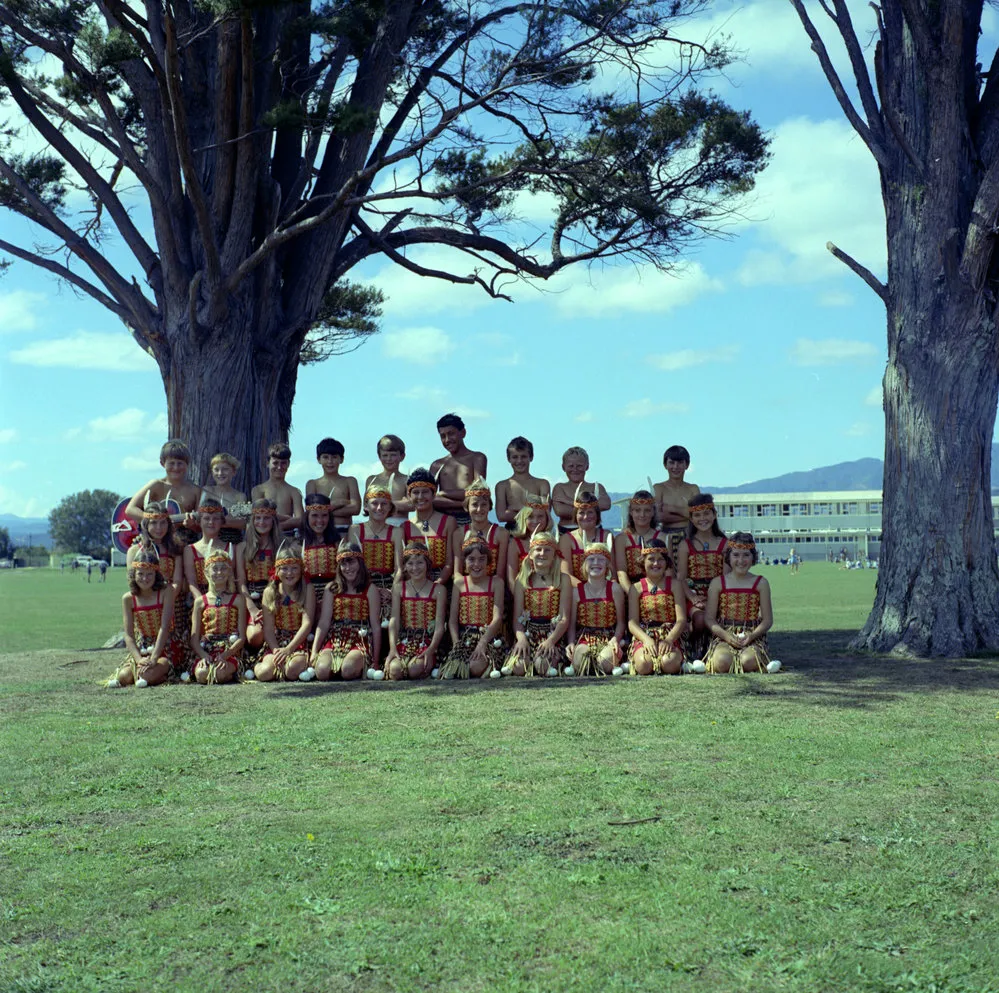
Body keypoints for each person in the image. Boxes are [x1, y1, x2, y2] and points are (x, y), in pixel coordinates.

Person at [703, 532, 778, 674]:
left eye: (746, 555)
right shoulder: (718, 582)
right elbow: (709, 618)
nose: (741, 560)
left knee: (748, 661)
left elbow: (767, 620)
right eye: (736, 555)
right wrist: (726, 636)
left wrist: (752, 636)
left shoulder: (761, 583)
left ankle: (752, 660)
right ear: (728, 557)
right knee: (722, 661)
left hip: (752, 635)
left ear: (753, 557)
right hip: (724, 634)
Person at [310, 542, 380, 681]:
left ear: (360, 563)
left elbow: (376, 625)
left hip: (360, 639)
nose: (348, 568)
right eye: (343, 564)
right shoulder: (332, 588)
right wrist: (314, 652)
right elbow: (324, 622)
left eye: (351, 562)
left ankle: (352, 665)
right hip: (336, 638)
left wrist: (376, 661)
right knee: (322, 672)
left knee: (348, 670)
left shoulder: (369, 589)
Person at [107, 548, 176, 688]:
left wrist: (155, 657)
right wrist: (139, 660)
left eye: (150, 574)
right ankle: (147, 674)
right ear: (134, 574)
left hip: (166, 645)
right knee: (124, 676)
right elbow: (129, 636)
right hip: (143, 646)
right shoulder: (128, 598)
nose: (145, 579)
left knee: (146, 675)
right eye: (141, 574)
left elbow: (165, 627)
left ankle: (163, 674)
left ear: (157, 574)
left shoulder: (166, 592)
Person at [506, 527, 570, 677]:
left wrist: (551, 641)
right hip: (529, 633)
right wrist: (521, 639)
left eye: (547, 550)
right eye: (538, 549)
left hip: (553, 634)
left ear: (555, 555)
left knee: (543, 666)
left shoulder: (563, 579)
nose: (542, 554)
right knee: (519, 669)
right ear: (531, 554)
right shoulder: (521, 581)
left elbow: (564, 617)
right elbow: (517, 618)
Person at [439, 534, 505, 679]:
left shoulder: (496, 583)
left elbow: (497, 617)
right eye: (471, 559)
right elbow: (452, 620)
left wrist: (482, 643)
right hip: (463, 638)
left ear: (488, 561)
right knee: (452, 671)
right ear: (464, 562)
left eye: (482, 559)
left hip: (486, 637)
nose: (477, 564)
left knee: (475, 667)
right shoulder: (459, 583)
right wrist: (457, 644)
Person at [385, 541, 447, 680]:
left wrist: (431, 649)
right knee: (395, 671)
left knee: (414, 670)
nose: (415, 568)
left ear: (427, 564)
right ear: (405, 566)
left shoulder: (438, 590)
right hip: (406, 640)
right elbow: (394, 620)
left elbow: (439, 625)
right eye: (410, 563)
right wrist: (393, 648)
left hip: (428, 641)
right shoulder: (399, 588)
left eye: (420, 563)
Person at [675, 493, 728, 656]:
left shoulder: (724, 543)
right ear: (691, 518)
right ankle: (691, 645)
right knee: (699, 619)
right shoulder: (686, 545)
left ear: (714, 515)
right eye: (697, 515)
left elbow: (725, 577)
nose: (702, 518)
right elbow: (681, 577)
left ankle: (714, 648)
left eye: (706, 513)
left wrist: (713, 599)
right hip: (693, 595)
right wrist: (692, 598)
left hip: (718, 594)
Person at [347, 482, 402, 639]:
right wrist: (369, 588)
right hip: (361, 583)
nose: (379, 508)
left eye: (384, 504)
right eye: (375, 503)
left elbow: (399, 568)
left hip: (387, 585)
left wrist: (393, 591)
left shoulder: (396, 532)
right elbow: (352, 565)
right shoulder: (356, 529)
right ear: (366, 506)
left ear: (390, 507)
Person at [253, 543, 314, 682]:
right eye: (284, 568)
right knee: (265, 674)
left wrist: (289, 649)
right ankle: (253, 665)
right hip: (277, 641)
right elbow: (268, 629)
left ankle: (298, 662)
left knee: (291, 671)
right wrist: (276, 650)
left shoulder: (307, 589)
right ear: (277, 571)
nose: (289, 573)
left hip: (299, 642)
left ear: (301, 570)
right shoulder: (269, 592)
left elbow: (307, 623)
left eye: (294, 568)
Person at [566, 541, 625, 677]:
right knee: (581, 663)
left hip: (608, 637)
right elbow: (572, 623)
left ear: (607, 566)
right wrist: (570, 642)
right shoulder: (576, 591)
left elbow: (621, 622)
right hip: (584, 638)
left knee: (604, 663)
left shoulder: (615, 589)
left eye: (601, 559)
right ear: (584, 565)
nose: (596, 563)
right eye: (591, 559)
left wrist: (616, 639)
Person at [627, 539, 685, 675]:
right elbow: (632, 622)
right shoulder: (636, 588)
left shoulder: (675, 585)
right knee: (644, 665)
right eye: (651, 559)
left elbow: (681, 620)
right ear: (643, 561)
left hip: (669, 634)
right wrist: (646, 640)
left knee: (669, 664)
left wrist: (669, 639)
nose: (656, 563)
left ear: (667, 563)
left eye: (660, 559)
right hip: (645, 635)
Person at [125, 439, 203, 540]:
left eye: (180, 463)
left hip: (183, 543)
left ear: (187, 464)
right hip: (155, 541)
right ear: (162, 463)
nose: (176, 467)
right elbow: (130, 509)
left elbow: (200, 527)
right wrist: (152, 520)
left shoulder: (195, 491)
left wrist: (192, 525)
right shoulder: (156, 485)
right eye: (171, 463)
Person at [190, 547, 246, 684]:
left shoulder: (238, 599)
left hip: (229, 649)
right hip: (207, 648)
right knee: (202, 675)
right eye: (215, 568)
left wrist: (225, 655)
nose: (219, 572)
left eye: (223, 568)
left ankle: (230, 672)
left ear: (229, 572)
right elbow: (194, 638)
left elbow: (242, 637)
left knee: (219, 674)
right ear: (206, 572)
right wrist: (204, 656)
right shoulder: (200, 602)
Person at [236, 498, 282, 650]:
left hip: (277, 598)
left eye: (267, 518)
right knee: (254, 636)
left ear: (273, 520)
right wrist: (252, 609)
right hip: (253, 598)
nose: (262, 522)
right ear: (252, 520)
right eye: (258, 518)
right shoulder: (242, 547)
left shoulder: (282, 545)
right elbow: (241, 582)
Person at [430, 413, 488, 525]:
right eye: (443, 436)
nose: (447, 440)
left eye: (451, 434)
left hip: (471, 519)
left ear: (463, 433)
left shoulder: (477, 458)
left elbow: (478, 493)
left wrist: (442, 493)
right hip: (443, 520)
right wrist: (464, 503)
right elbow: (429, 499)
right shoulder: (437, 465)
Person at [400, 468, 454, 584]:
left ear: (434, 494)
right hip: (413, 583)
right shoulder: (404, 527)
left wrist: (437, 585)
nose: (420, 497)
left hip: (442, 582)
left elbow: (450, 563)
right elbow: (403, 564)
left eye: (425, 492)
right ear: (409, 496)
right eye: (415, 492)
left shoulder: (448, 522)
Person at [452, 478, 508, 580]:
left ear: (489, 506)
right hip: (466, 589)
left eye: (484, 505)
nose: (479, 509)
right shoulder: (459, 534)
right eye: (474, 504)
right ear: (466, 506)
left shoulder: (501, 533)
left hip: (492, 588)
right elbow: (457, 573)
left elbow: (500, 574)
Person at [653, 445, 700, 565]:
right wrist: (687, 512)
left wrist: (670, 508)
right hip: (665, 536)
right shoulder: (659, 488)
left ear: (687, 465)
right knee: (668, 573)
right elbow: (659, 516)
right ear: (665, 465)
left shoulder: (693, 489)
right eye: (671, 462)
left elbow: (699, 516)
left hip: (690, 535)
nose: (675, 467)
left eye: (679, 463)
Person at [551, 447, 611, 534]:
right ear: (563, 467)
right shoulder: (559, 487)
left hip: (595, 532)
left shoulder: (596, 487)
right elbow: (560, 511)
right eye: (571, 466)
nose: (575, 469)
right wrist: (592, 508)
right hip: (565, 532)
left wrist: (568, 501)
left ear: (587, 466)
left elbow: (606, 504)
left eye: (579, 466)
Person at [495, 437, 551, 529]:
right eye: (515, 457)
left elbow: (545, 511)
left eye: (523, 456)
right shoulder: (502, 486)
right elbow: (501, 516)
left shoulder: (542, 484)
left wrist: (515, 508)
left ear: (531, 457)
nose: (519, 461)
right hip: (512, 532)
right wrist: (532, 510)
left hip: (536, 531)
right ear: (508, 459)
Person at [306, 437, 361, 529]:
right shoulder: (312, 484)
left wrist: (325, 511)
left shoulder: (350, 481)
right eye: (325, 457)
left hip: (345, 530)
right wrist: (340, 502)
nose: (330, 461)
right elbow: (311, 511)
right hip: (321, 532)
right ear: (319, 459)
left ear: (341, 459)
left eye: (334, 457)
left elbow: (356, 509)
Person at [614, 490, 663, 593]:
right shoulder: (621, 539)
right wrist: (632, 594)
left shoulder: (662, 537)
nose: (642, 514)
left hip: (658, 589)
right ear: (631, 512)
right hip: (630, 589)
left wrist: (655, 593)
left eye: (647, 510)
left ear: (653, 512)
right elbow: (621, 572)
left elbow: (668, 571)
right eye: (637, 510)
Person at [559, 490, 612, 584]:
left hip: (604, 592)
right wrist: (586, 591)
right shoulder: (566, 540)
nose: (585, 517)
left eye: (590, 512)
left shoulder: (606, 536)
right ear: (575, 515)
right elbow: (566, 574)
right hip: (576, 591)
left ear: (597, 514)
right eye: (581, 513)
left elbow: (613, 573)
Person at [184, 494, 230, 599]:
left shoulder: (230, 548)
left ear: (222, 522)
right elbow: (191, 581)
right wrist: (203, 602)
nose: (211, 522)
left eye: (216, 519)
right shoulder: (190, 550)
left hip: (226, 600)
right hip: (200, 600)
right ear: (199, 521)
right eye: (206, 518)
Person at [251, 441, 303, 534]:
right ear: (268, 463)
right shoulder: (258, 490)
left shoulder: (294, 491)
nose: (279, 467)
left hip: (287, 537)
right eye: (275, 463)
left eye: (283, 463)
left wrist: (277, 527)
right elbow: (259, 515)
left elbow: (300, 520)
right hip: (264, 537)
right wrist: (288, 518)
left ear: (288, 464)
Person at [507, 499, 556, 591]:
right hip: (521, 596)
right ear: (524, 519)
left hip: (550, 594)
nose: (535, 520)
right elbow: (511, 579)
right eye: (530, 517)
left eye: (540, 516)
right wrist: (520, 599)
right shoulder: (515, 544)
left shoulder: (554, 541)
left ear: (547, 518)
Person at [364, 434, 412, 526]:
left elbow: (412, 505)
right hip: (375, 526)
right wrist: (399, 503)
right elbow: (366, 506)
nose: (389, 459)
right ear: (379, 456)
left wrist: (380, 503)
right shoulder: (372, 480)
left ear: (402, 456)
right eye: (385, 455)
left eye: (393, 455)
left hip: (400, 525)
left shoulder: (407, 480)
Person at [300, 493, 342, 599]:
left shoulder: (337, 543)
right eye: (314, 515)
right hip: (306, 595)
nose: (320, 521)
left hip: (333, 593)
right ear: (307, 517)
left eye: (324, 515)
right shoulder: (297, 545)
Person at [203, 453, 248, 544]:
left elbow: (243, 523)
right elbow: (200, 518)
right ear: (212, 472)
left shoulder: (240, 496)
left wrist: (214, 520)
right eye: (216, 469)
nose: (220, 473)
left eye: (225, 469)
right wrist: (228, 520)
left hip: (233, 542)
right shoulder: (206, 491)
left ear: (234, 472)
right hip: (209, 541)